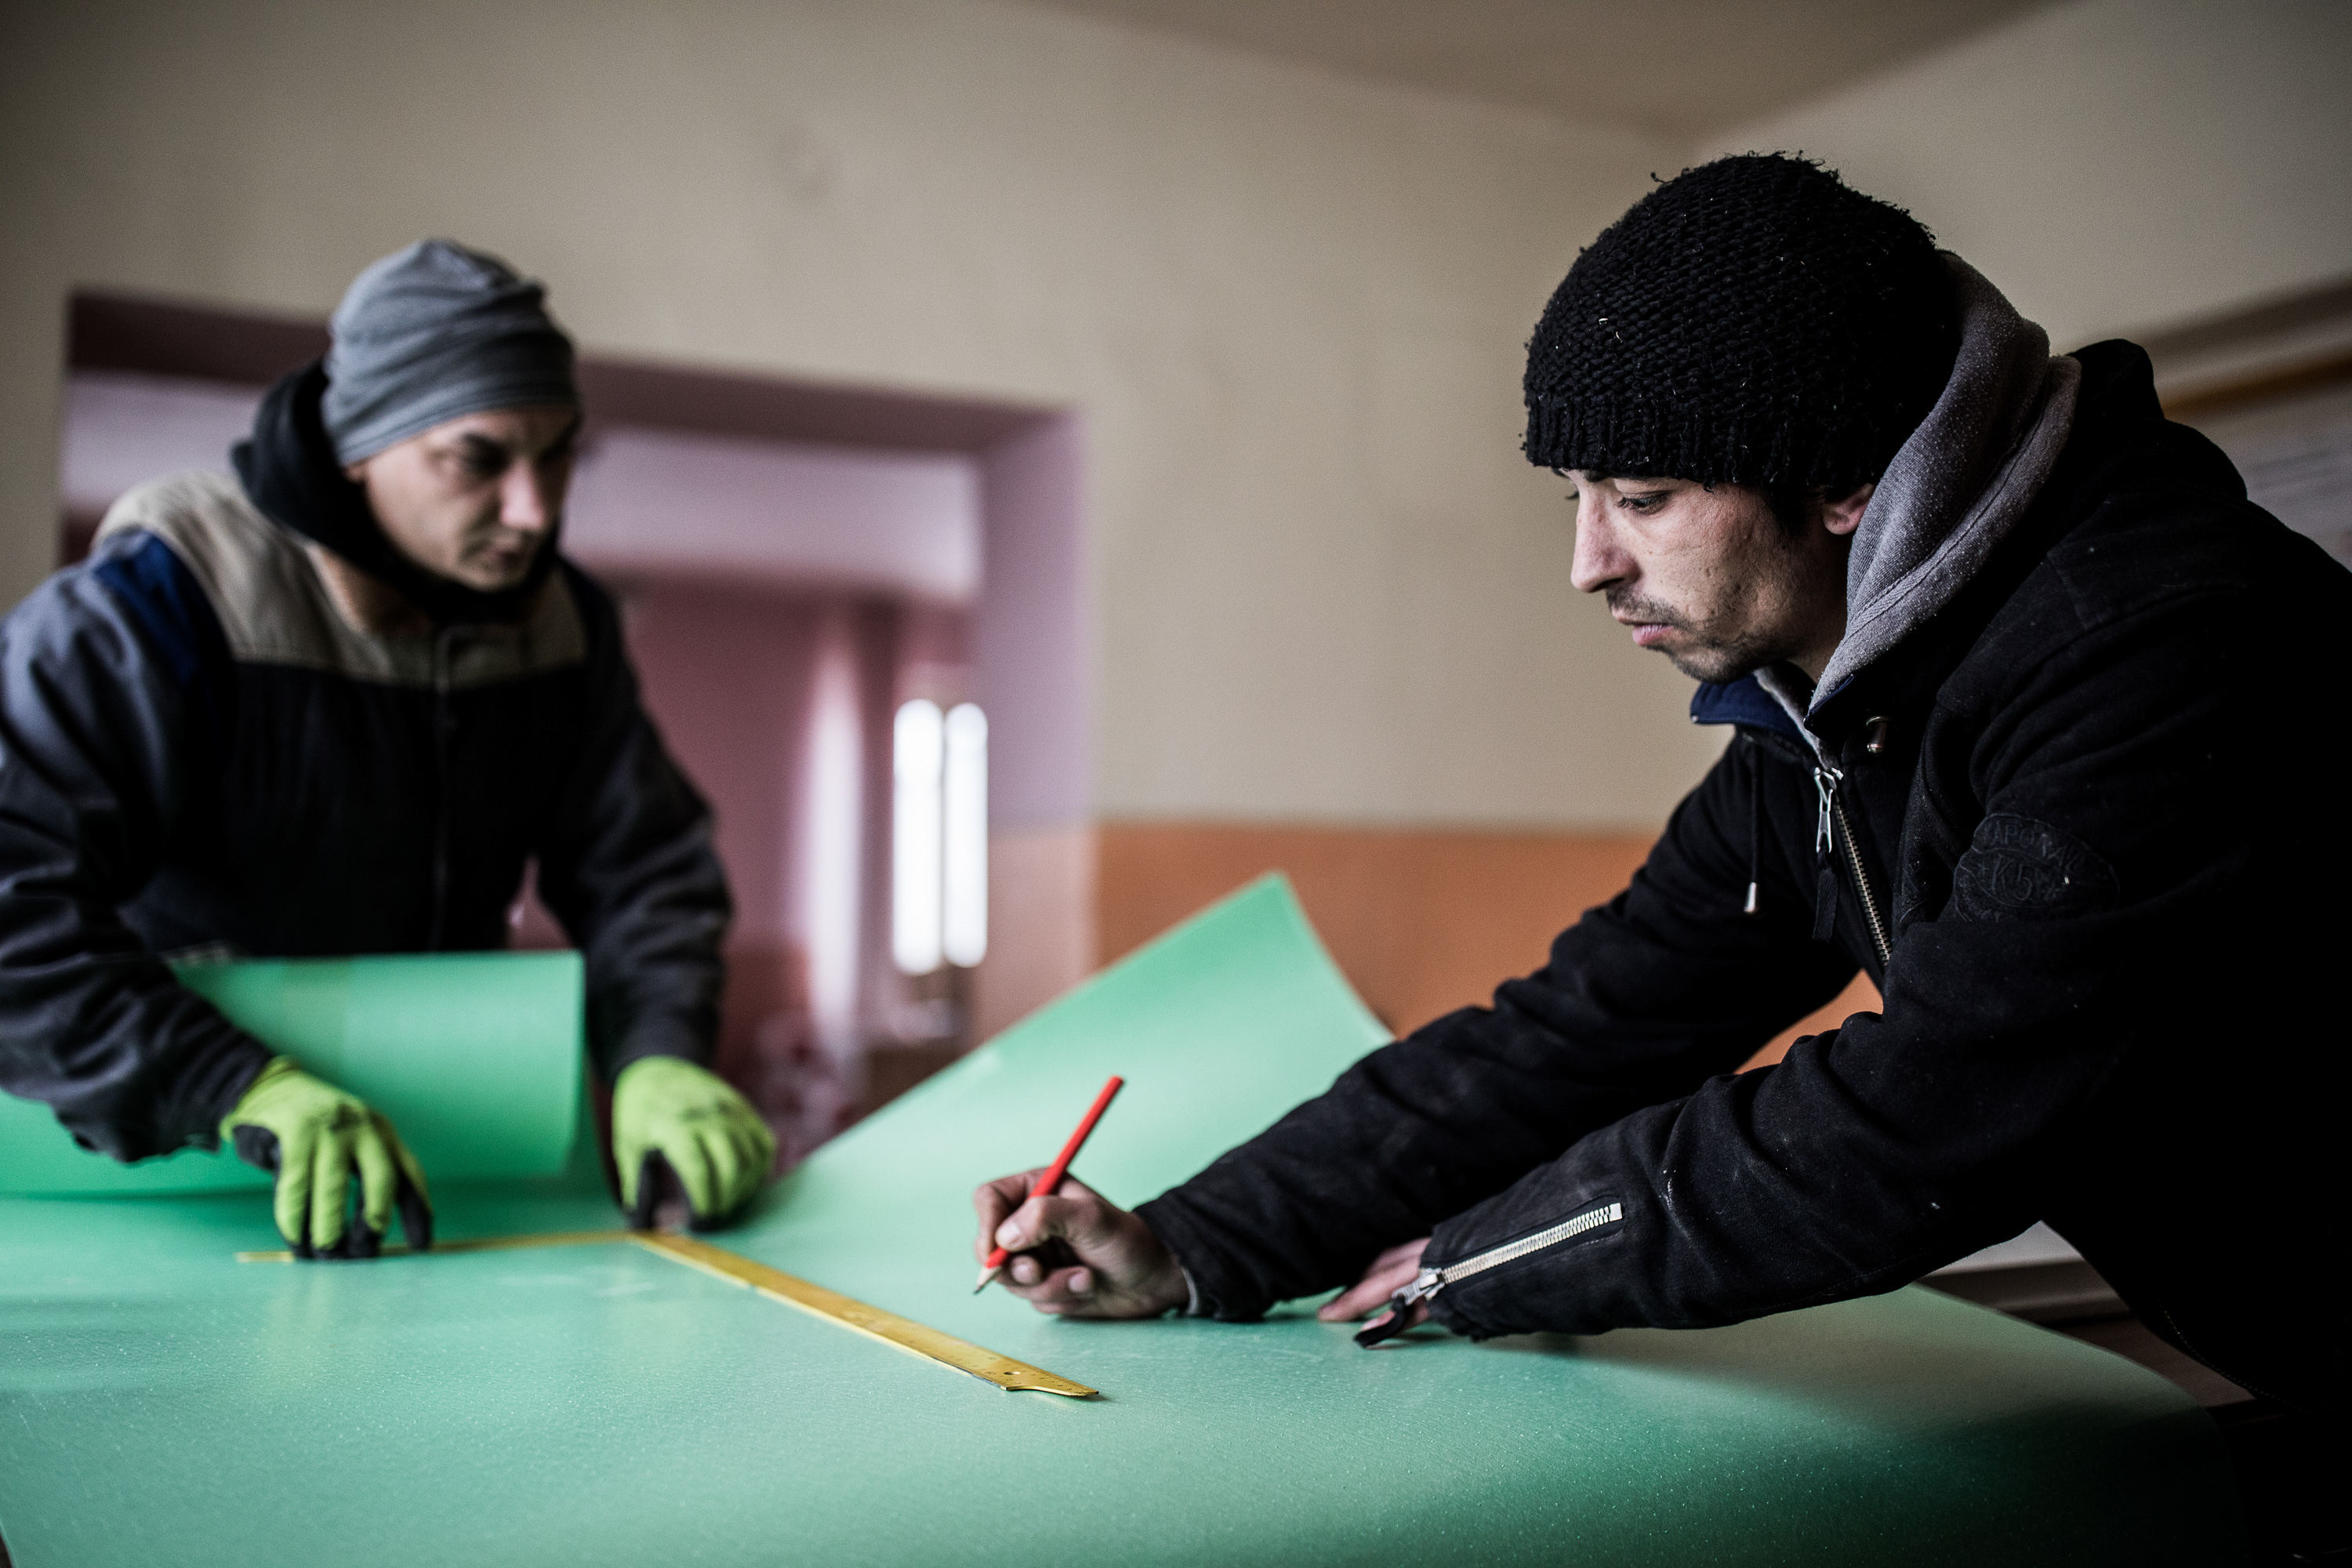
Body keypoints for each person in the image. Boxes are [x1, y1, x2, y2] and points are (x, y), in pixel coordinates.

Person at [972, 157, 2350, 1422]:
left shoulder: (2159, 644)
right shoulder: (1823, 724)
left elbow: (1930, 1118)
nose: (1588, 563)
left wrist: (1480, 1265)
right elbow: (1583, 1028)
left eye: (1639, 495)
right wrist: (1200, 1239)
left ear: (1842, 478)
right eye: (1578, 495)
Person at [0, 240, 772, 1257]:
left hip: (442, 1181)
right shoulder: (160, 602)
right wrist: (229, 1083)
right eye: (479, 458)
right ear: (359, 444)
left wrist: (657, 1053)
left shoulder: (563, 624)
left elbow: (647, 876)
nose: (535, 510)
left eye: (557, 453)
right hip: (165, 1177)